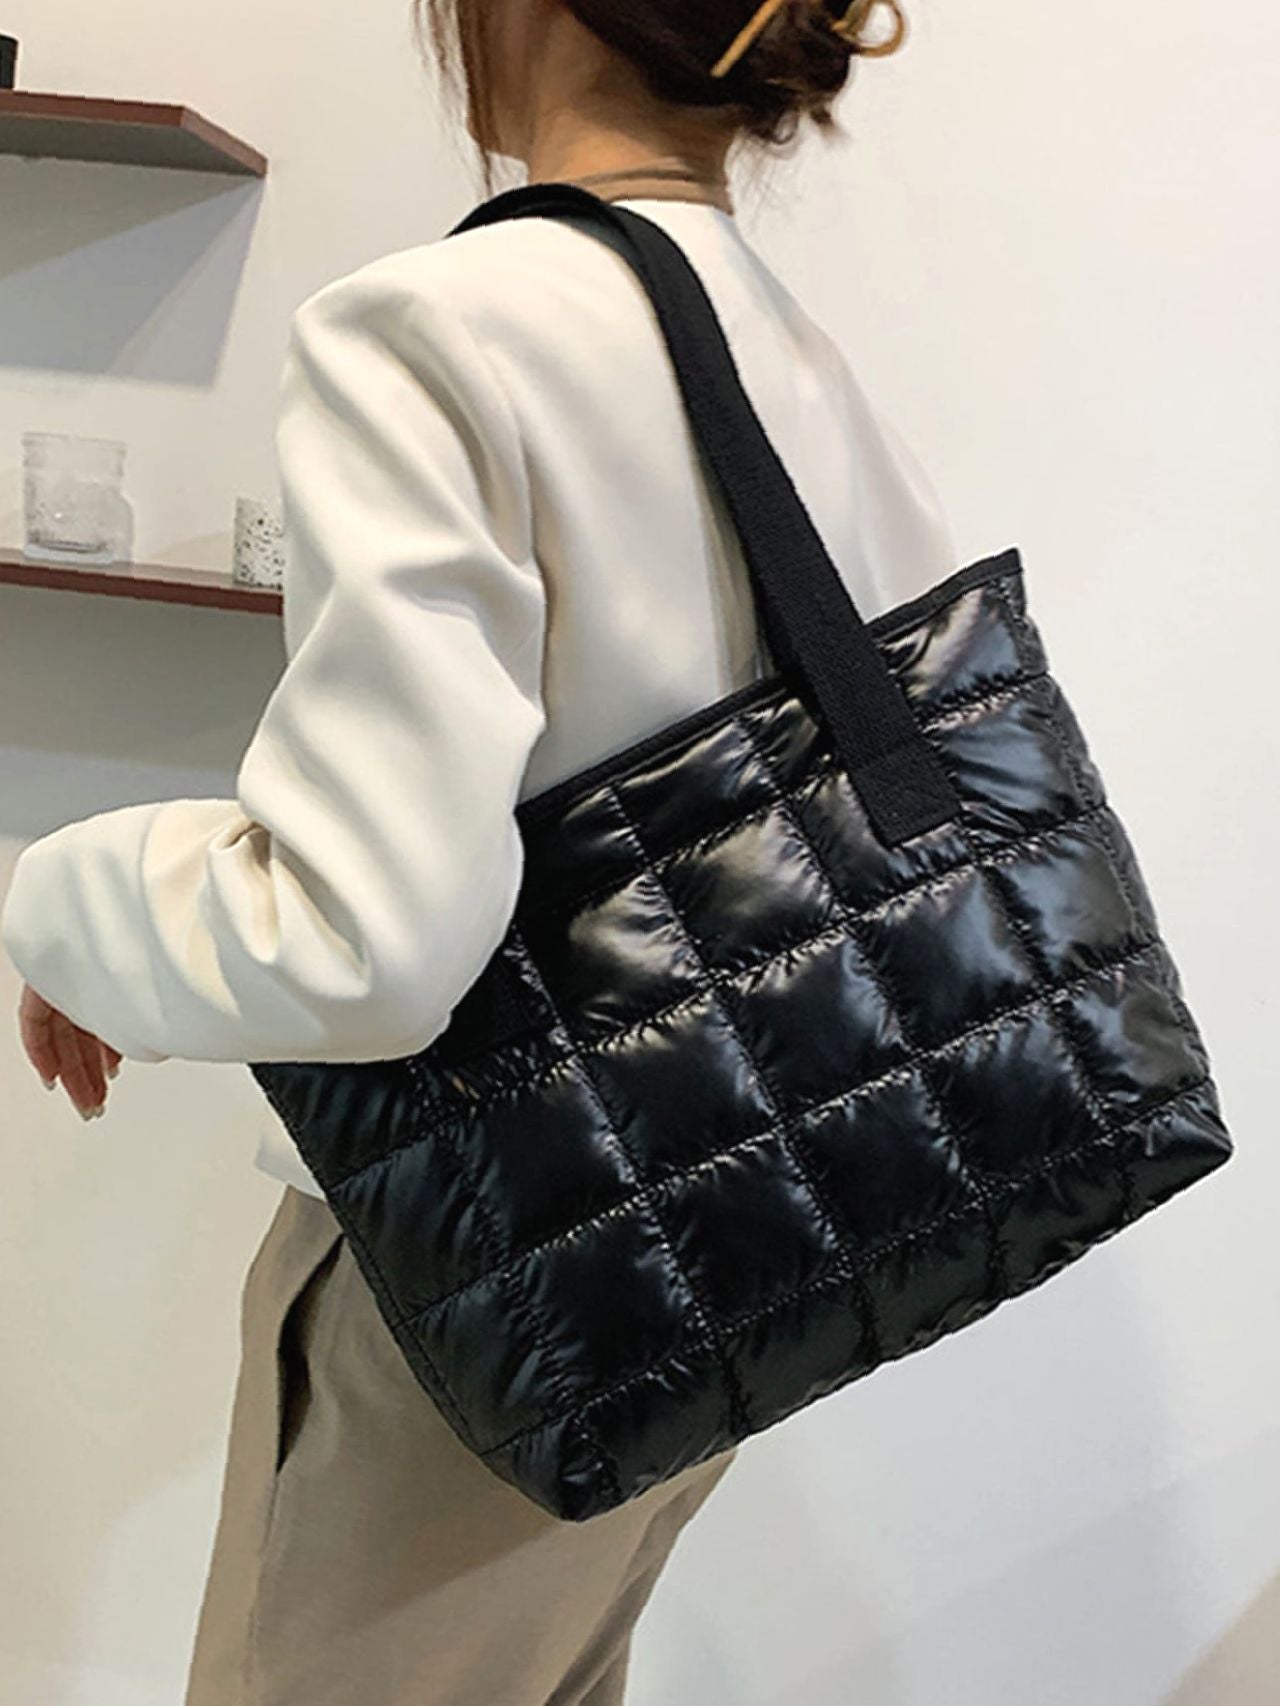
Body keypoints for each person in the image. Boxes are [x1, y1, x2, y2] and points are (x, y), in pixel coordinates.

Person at [1, 2, 956, 1701]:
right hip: (748, 1251)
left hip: (488, 1274)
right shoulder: (795, 358)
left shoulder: (437, 328)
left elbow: (365, 936)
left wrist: (66, 903)